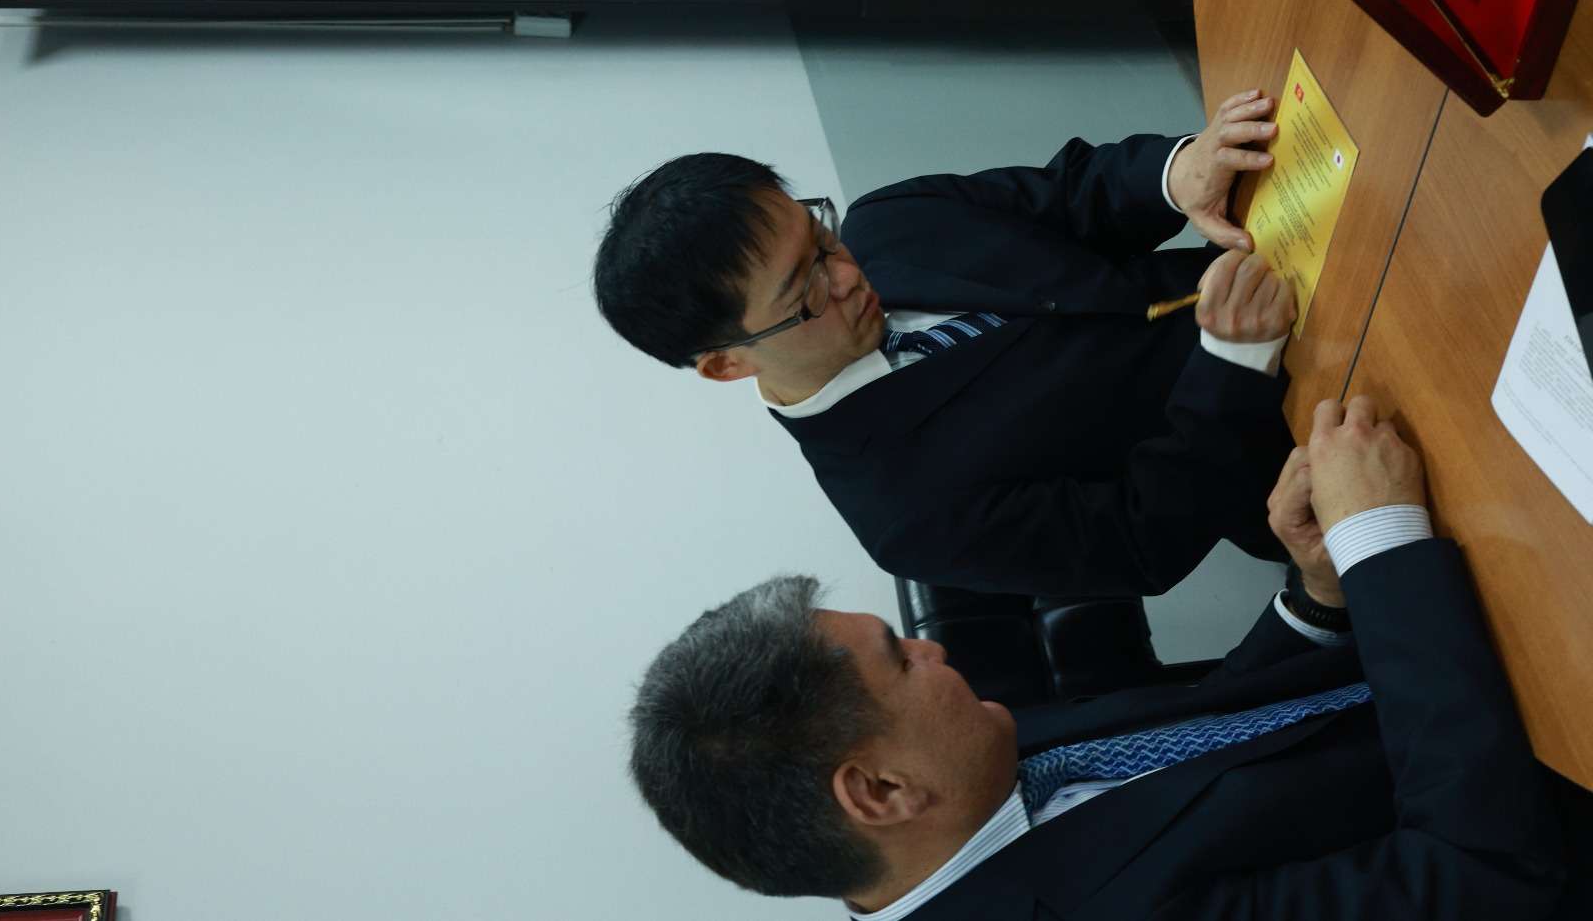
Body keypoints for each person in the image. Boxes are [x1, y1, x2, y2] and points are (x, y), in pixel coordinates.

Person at [628, 395, 1591, 920]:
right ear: (878, 791)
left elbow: (1224, 749)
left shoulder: (977, 769)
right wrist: (1379, 543)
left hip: (1484, 672)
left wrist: (1320, 592)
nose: (931, 646)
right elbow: (1483, 877)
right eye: (900, 661)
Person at [595, 91, 1300, 597]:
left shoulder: (889, 221)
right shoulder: (902, 512)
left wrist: (1179, 172)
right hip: (1298, 444)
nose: (846, 274)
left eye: (821, 239)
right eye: (804, 291)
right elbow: (1144, 538)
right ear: (727, 364)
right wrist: (1234, 364)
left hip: (1290, 266)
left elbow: (1071, 195)